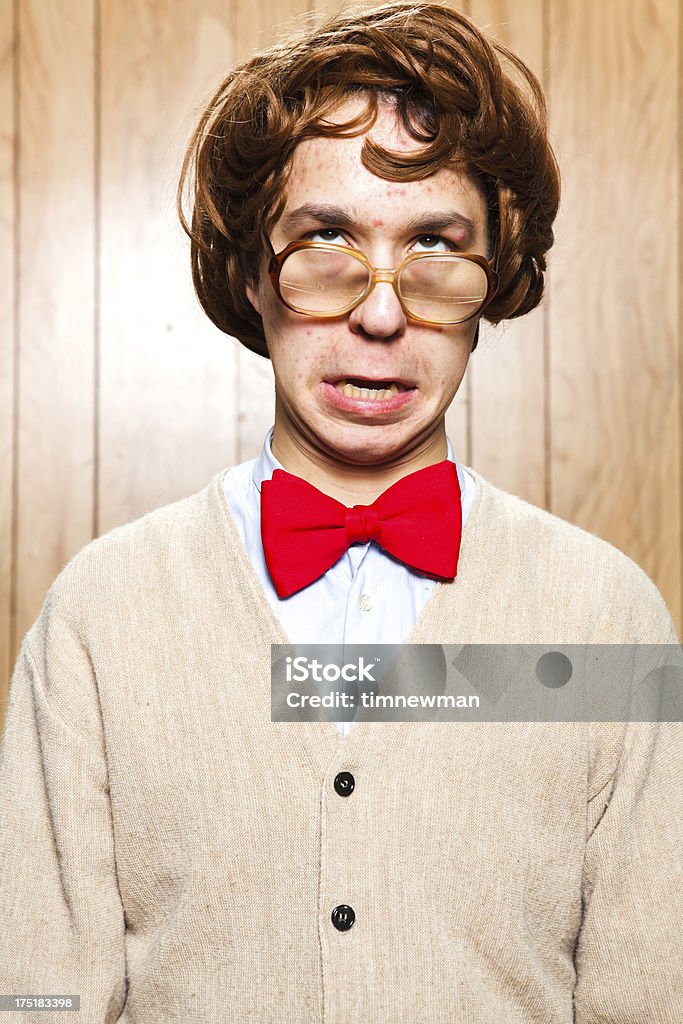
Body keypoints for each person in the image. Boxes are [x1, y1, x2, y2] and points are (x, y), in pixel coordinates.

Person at [0, 2, 681, 1022]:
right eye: (325, 238)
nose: (378, 309)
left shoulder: (606, 622)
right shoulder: (98, 619)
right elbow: (39, 1002)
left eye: (433, 245)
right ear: (248, 271)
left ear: (490, 282)